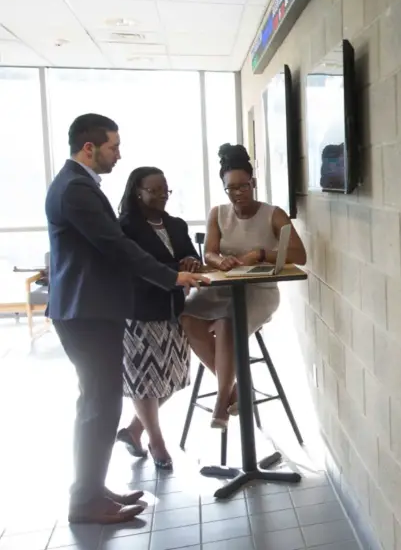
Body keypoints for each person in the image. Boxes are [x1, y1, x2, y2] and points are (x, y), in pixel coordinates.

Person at [45, 113, 206, 525]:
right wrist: (171, 276)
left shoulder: (76, 184)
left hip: (90, 309)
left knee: (98, 404)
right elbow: (116, 246)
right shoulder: (76, 188)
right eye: (113, 146)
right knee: (100, 407)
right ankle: (85, 502)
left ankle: (91, 490)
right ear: (89, 148)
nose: (119, 154)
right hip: (87, 311)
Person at [181, 144, 307, 429]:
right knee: (186, 315)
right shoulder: (218, 213)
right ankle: (235, 391)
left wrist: (262, 253)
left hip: (259, 292)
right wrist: (220, 259)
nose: (238, 193)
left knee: (228, 322)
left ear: (254, 183)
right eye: (231, 188)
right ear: (223, 187)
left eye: (243, 186)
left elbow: (300, 255)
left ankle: (221, 400)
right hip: (223, 287)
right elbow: (209, 254)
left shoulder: (273, 214)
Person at [114, 167, 202, 470]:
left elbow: (191, 257)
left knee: (171, 379)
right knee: (144, 382)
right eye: (154, 190)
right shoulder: (125, 226)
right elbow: (135, 266)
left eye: (165, 189)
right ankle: (156, 442)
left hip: (172, 309)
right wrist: (174, 270)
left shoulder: (176, 225)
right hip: (139, 311)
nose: (162, 194)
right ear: (138, 192)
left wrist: (192, 260)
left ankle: (134, 431)